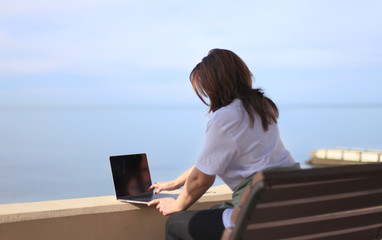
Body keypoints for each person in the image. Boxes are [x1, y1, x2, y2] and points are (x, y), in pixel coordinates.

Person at [148, 49, 298, 240]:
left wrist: (177, 205)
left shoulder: (224, 117)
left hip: (258, 214)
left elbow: (201, 180)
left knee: (175, 224)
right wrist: (176, 183)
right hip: (290, 206)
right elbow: (210, 162)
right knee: (214, 212)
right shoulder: (262, 107)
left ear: (214, 85)